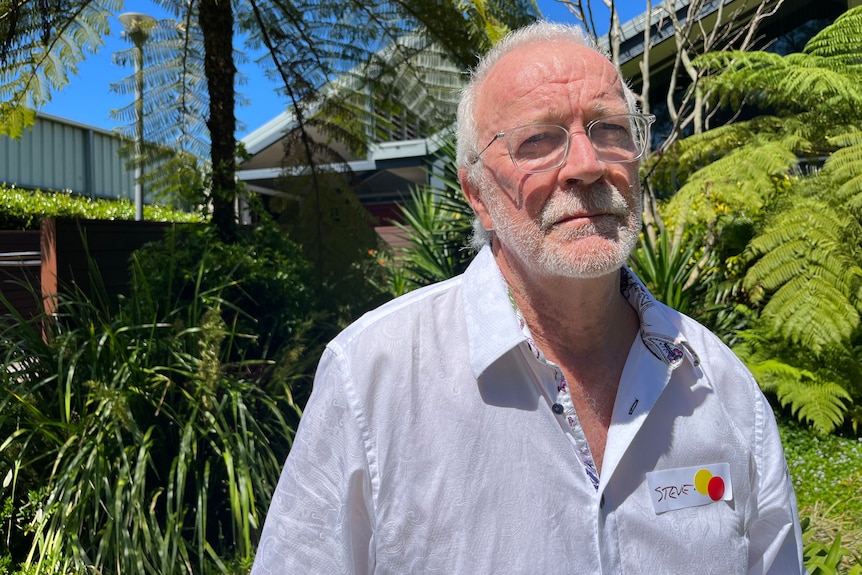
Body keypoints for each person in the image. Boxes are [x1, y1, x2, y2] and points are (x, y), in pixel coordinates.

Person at [252, 21, 804, 574]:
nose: (588, 165)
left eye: (610, 128)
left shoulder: (720, 387)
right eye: (537, 140)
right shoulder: (375, 377)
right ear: (479, 197)